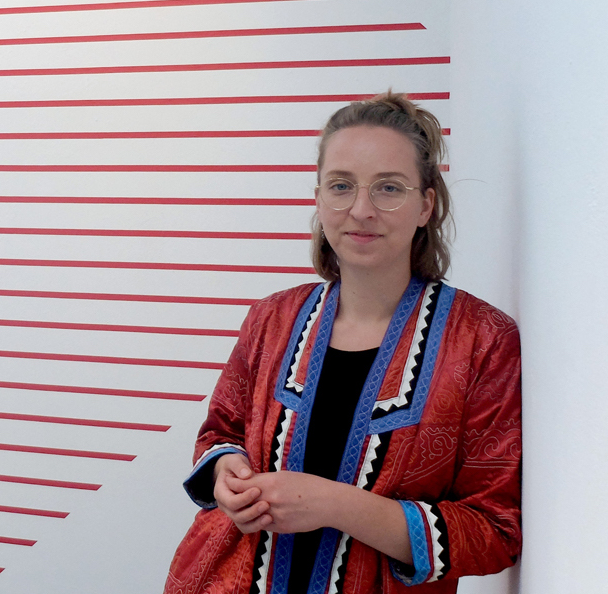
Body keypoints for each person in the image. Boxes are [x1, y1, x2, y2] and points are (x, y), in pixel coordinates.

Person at [163, 90, 521, 594]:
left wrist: (334, 504)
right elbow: (220, 431)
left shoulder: (483, 341)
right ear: (318, 199)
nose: (361, 209)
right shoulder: (271, 318)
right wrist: (228, 472)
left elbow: (494, 530)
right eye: (341, 186)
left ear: (426, 205)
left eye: (389, 188)